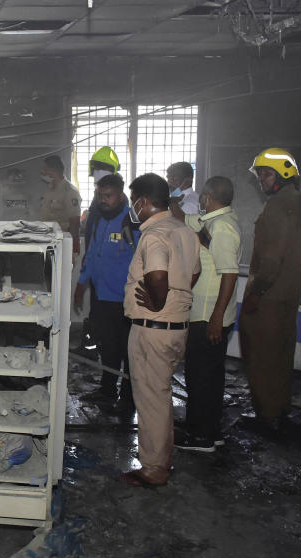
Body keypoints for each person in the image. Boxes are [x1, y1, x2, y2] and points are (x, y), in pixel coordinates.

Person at [119, 173, 201, 487]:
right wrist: (172, 300)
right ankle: (164, 460)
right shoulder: (184, 231)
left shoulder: (154, 236)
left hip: (152, 331)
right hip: (177, 328)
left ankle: (153, 469)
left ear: (142, 201)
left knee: (150, 399)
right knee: (161, 396)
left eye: (133, 201)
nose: (133, 207)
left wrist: (158, 301)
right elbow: (195, 273)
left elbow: (157, 277)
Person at [239, 148, 301, 433]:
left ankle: (267, 415)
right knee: (282, 353)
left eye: (266, 173)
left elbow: (270, 259)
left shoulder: (276, 206)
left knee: (261, 354)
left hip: (268, 296)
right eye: (259, 173)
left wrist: (256, 294)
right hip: (290, 293)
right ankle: (279, 408)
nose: (261, 179)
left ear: (284, 173)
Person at [170, 177, 242, 452]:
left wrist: (215, 317)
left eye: (202, 196)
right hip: (206, 314)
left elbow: (230, 274)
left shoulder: (222, 228)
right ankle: (211, 429)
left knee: (200, 376)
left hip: (209, 316)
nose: (199, 199)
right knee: (211, 376)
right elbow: (183, 219)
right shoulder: (212, 220)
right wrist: (175, 196)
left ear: (208, 197)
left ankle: (200, 436)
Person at [74, 174, 139, 410]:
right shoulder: (101, 219)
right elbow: (92, 254)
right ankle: (108, 390)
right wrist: (81, 284)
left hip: (125, 300)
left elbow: (143, 259)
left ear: (121, 195)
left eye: (108, 196)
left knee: (128, 351)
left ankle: (129, 397)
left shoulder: (132, 222)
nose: (103, 200)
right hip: (102, 297)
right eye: (100, 195)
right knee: (107, 347)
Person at [38, 155, 81, 254]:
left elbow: (75, 223)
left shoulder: (70, 192)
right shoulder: (50, 189)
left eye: (44, 169)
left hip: (62, 244)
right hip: (48, 242)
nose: (42, 173)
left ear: (51, 171)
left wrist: (72, 250)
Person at [83, 146, 122, 252]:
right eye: (96, 168)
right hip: (93, 252)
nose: (97, 172)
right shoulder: (97, 195)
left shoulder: (119, 199)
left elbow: (117, 236)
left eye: (101, 169)